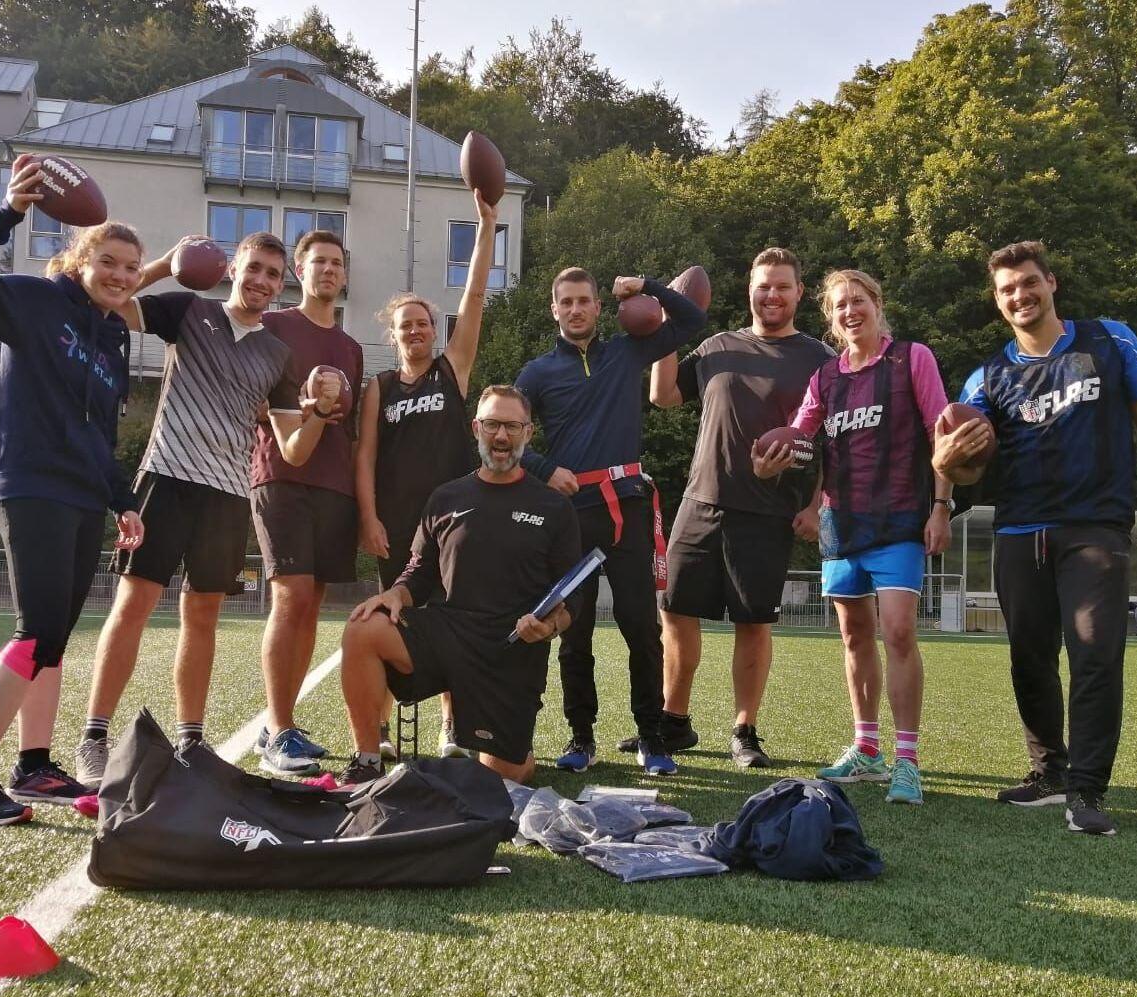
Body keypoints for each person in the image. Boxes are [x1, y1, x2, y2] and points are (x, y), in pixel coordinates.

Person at [934, 240, 1137, 835]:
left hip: (1093, 526)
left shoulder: (1108, 339)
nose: (1020, 295)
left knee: (1095, 653)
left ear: (1051, 283)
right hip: (1019, 530)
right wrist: (948, 459)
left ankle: (1086, 789)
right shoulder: (988, 375)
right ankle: (1048, 772)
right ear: (997, 300)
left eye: (1029, 282)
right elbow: (962, 466)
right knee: (1029, 656)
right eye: (1007, 289)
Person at [72, 232, 344, 786]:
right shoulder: (187, 310)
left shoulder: (278, 355)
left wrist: (316, 413)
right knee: (134, 606)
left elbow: (292, 448)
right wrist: (166, 264)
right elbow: (111, 305)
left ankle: (191, 741)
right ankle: (93, 736)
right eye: (254, 270)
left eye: (273, 275)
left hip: (227, 495)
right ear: (233, 269)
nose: (263, 283)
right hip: (166, 478)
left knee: (202, 617)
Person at [0, 155, 144, 825]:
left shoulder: (113, 339)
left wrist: (125, 499)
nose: (119, 276)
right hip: (29, 482)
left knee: (55, 637)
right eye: (108, 260)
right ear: (81, 258)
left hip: (82, 493)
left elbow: (100, 433)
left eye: (131, 269)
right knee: (34, 632)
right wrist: (8, 213)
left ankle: (34, 766)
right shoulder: (36, 300)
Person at [763, 269, 953, 805]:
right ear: (831, 316)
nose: (851, 311)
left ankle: (908, 760)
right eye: (841, 305)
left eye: (859, 300)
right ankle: (867, 748)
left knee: (897, 633)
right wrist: (769, 457)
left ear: (876, 302)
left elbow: (943, 438)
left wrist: (941, 507)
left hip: (899, 520)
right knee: (852, 636)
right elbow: (800, 436)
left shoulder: (912, 358)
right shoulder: (826, 377)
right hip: (841, 522)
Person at [516, 269, 707, 776]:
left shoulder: (628, 351)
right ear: (554, 309)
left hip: (627, 508)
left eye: (584, 301)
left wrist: (646, 288)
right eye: (566, 302)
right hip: (571, 515)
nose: (575, 310)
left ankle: (651, 736)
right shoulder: (536, 373)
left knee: (641, 628)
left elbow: (692, 317)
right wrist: (543, 469)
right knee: (573, 633)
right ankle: (581, 738)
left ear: (600, 306)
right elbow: (507, 431)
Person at [339, 386, 581, 785]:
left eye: (511, 426)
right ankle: (367, 760)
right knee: (363, 626)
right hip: (449, 633)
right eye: (491, 425)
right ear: (476, 429)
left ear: (528, 433)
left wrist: (551, 625)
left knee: (503, 779)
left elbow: (574, 592)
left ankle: (511, 744)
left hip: (511, 648)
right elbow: (418, 572)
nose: (501, 436)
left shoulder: (553, 507)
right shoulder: (446, 497)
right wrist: (395, 593)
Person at [648, 248, 833, 768]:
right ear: (749, 289)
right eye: (763, 285)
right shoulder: (716, 347)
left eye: (782, 286)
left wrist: (816, 504)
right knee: (676, 613)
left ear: (799, 293)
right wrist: (669, 327)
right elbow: (663, 395)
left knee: (753, 623)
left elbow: (833, 442)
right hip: (701, 500)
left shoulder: (819, 359)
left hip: (768, 511)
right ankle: (673, 721)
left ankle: (744, 730)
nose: (771, 295)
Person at [355, 191, 497, 759]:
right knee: (392, 618)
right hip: (397, 525)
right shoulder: (379, 389)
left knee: (455, 621)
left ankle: (452, 727)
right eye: (405, 326)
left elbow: (477, 294)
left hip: (456, 526)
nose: (415, 331)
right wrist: (367, 517)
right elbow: (364, 457)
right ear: (392, 336)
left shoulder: (450, 372)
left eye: (423, 324)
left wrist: (486, 224)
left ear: (436, 332)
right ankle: (380, 732)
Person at [251, 229, 364, 776]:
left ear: (344, 275)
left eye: (336, 263)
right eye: (317, 261)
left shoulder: (351, 349)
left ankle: (285, 724)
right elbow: (255, 405)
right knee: (290, 596)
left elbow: (354, 433)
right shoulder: (273, 327)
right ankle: (275, 729)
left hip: (333, 485)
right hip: (281, 476)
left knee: (312, 602)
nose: (328, 270)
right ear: (300, 271)